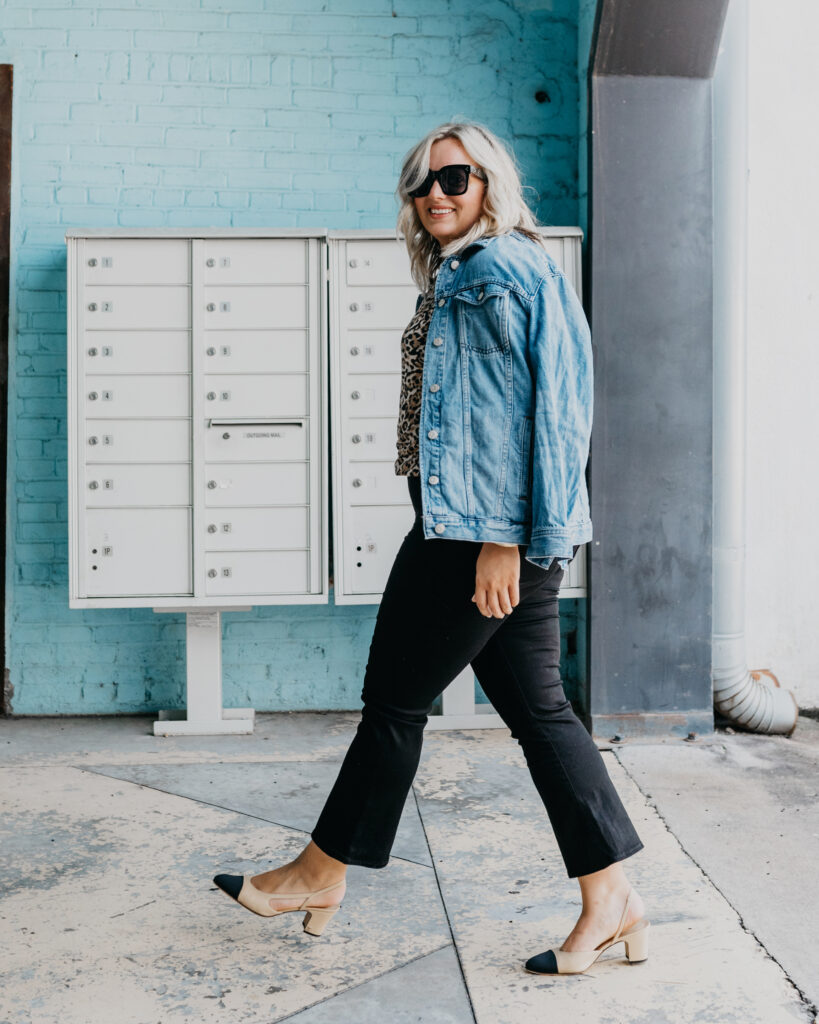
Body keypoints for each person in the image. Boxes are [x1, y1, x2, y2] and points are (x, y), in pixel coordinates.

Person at [213, 121, 650, 974]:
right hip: (482, 528)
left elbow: (533, 415)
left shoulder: (494, 272)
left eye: (454, 177)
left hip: (477, 536)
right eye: (420, 183)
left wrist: (500, 541)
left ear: (488, 181)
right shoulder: (485, 270)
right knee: (537, 712)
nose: (436, 195)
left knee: (393, 701)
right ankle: (613, 899)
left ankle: (318, 873)